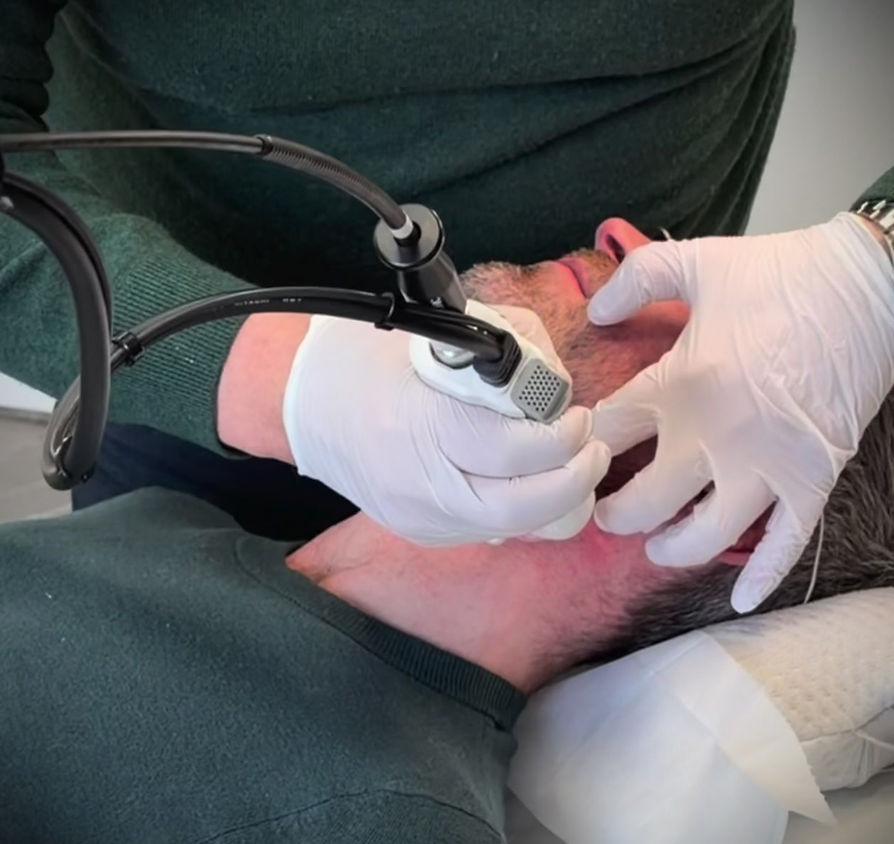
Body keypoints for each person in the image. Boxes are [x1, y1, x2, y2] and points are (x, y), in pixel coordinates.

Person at [4, 227, 894, 842]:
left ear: (731, 512)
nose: (624, 234)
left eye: (735, 315)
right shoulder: (174, 520)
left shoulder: (384, 817)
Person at [0, 0, 795, 543]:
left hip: (620, 459)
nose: (623, 236)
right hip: (181, 384)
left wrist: (861, 251)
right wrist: (286, 389)